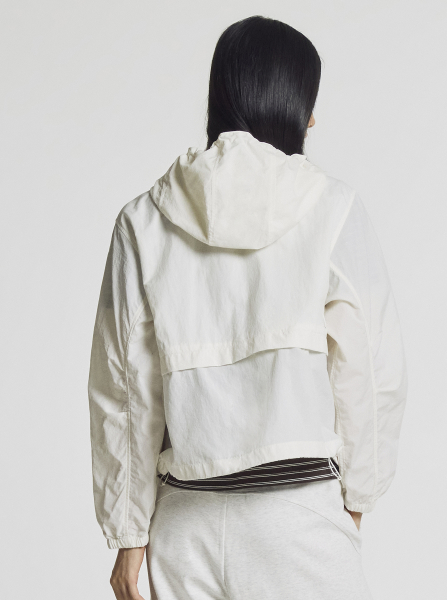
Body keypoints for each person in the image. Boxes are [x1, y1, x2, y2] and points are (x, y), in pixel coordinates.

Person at [88, 15, 408, 600]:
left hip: (183, 524)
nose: (314, 119)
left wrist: (129, 534)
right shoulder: (333, 208)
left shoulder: (142, 220)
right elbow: (369, 369)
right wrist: (356, 501)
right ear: (290, 104)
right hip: (297, 516)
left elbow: (124, 391)